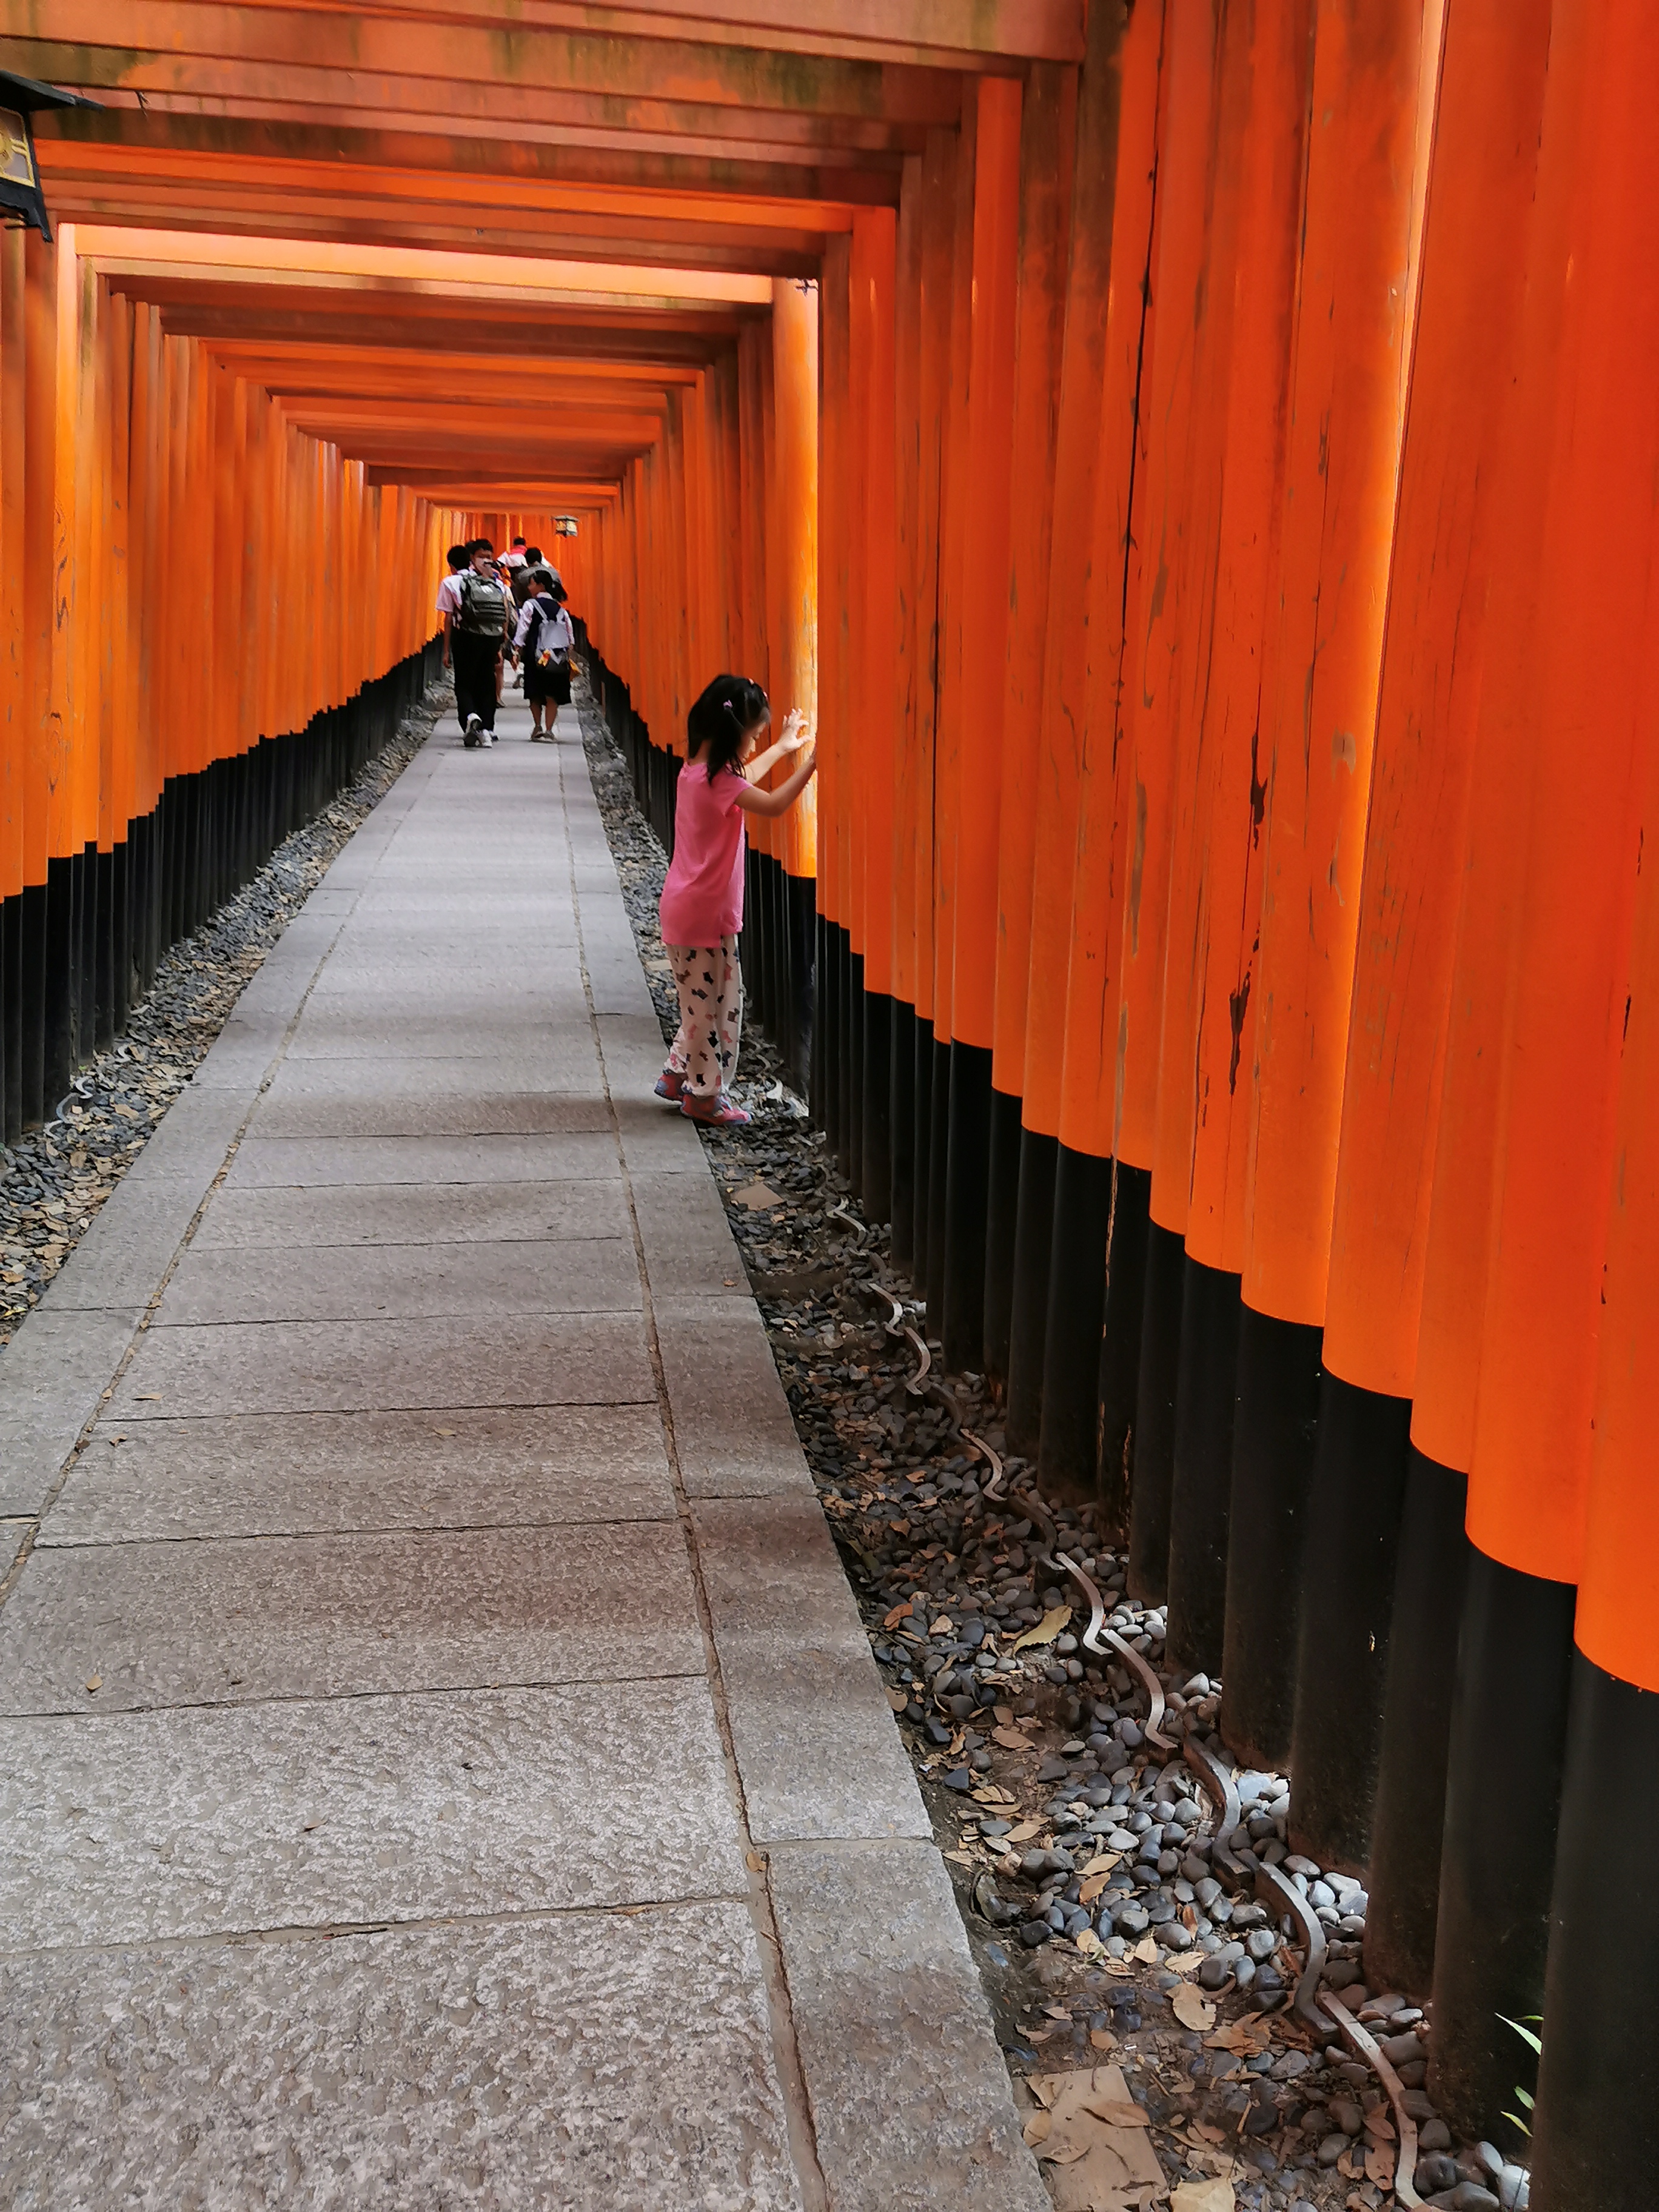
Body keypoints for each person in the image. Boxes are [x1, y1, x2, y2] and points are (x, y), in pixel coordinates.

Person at [656, 674, 816, 1128]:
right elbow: (773, 802)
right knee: (718, 1008)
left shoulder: (695, 772)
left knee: (700, 1000)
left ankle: (677, 1074)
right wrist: (812, 765)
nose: (754, 745)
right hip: (704, 917)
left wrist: (784, 748)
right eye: (754, 737)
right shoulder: (722, 783)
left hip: (688, 912)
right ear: (733, 735)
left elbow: (740, 780)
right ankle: (704, 1097)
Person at [451, 538, 510, 746]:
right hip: (492, 636)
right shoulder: (498, 583)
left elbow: (449, 617)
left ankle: (469, 716)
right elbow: (505, 612)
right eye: (483, 557)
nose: (486, 561)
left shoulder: (455, 582)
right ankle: (487, 730)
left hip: (466, 636)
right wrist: (502, 640)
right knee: (487, 681)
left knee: (464, 682)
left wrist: (445, 648)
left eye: (488, 557)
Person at [512, 571, 575, 741]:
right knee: (552, 693)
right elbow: (569, 632)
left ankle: (538, 725)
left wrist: (517, 648)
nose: (529, 587)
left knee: (534, 691)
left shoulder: (530, 605)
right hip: (555, 657)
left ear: (541, 585)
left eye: (531, 583)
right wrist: (568, 649)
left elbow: (523, 628)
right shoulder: (559, 608)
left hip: (536, 654)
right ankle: (549, 729)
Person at [435, 543, 469, 672]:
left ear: (451, 566)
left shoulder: (449, 582)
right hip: (486, 633)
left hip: (462, 634)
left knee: (463, 676)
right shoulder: (481, 579)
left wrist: (446, 651)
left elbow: (449, 617)